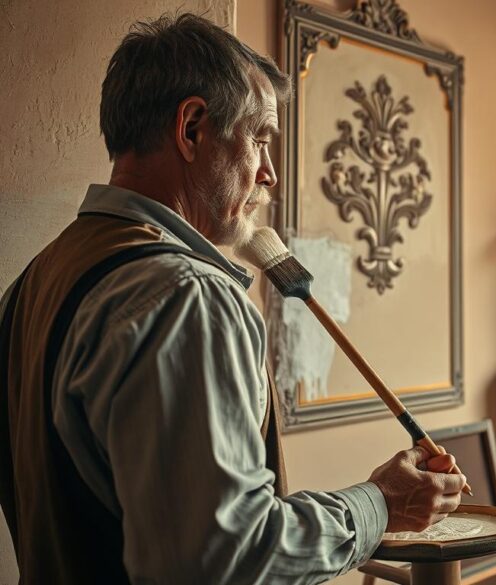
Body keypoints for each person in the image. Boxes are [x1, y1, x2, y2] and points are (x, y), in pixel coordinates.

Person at [0, 13, 465, 584]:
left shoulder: (35, 280)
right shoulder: (185, 297)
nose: (268, 173)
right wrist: (380, 505)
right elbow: (227, 560)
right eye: (261, 137)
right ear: (192, 128)